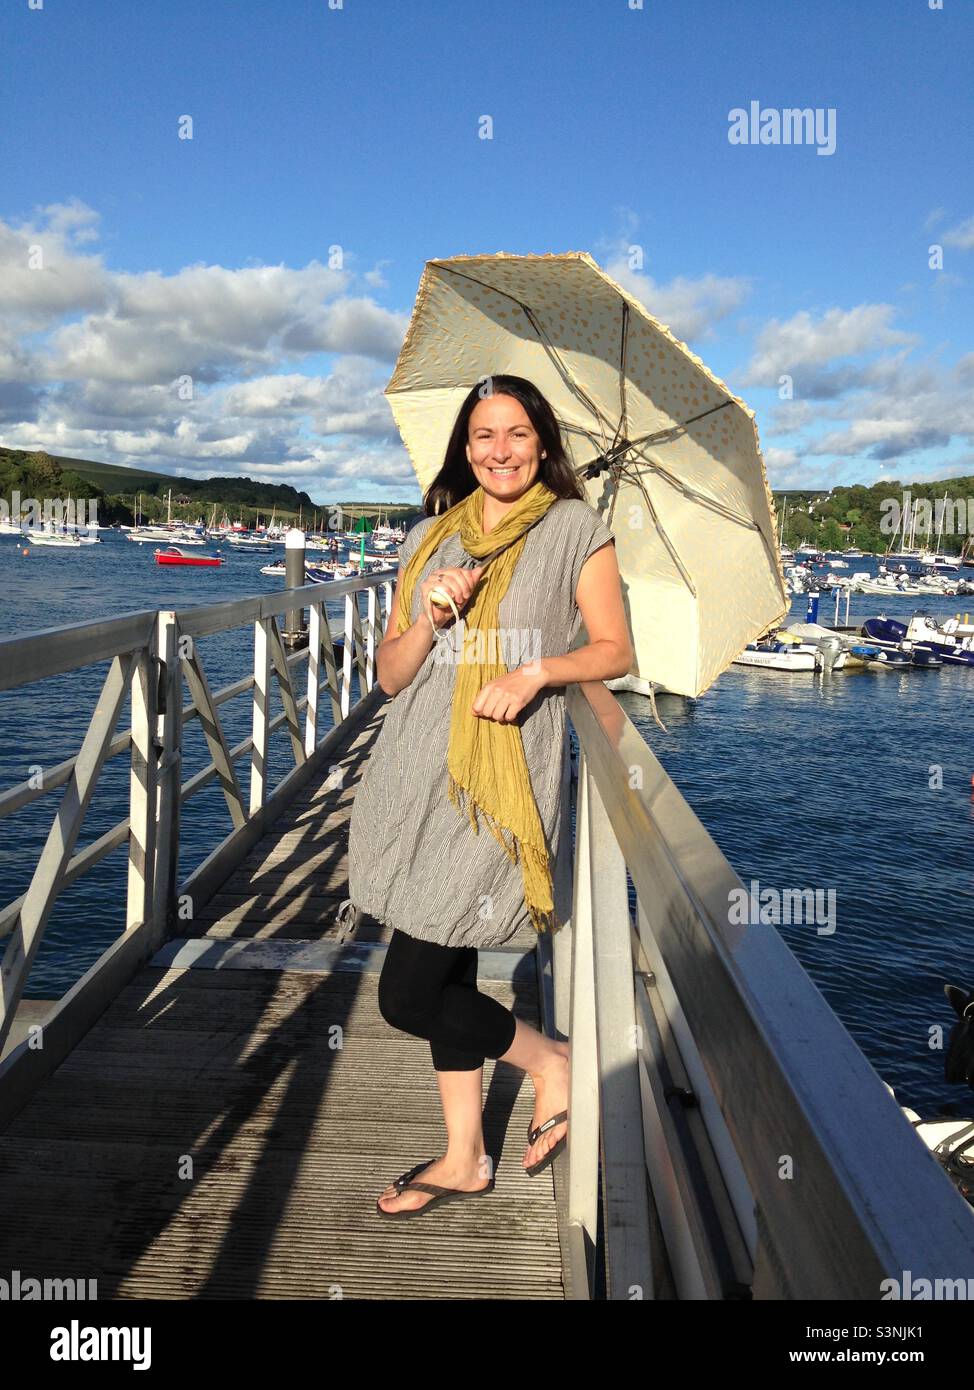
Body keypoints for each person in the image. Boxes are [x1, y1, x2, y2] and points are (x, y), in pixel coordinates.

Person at [346, 374, 632, 1217]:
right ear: (463, 448)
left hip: (500, 777)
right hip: (416, 773)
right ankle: (466, 1156)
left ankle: (553, 1063)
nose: (498, 451)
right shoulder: (432, 537)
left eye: (514, 434)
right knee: (450, 963)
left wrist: (540, 668)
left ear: (542, 442)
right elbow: (391, 678)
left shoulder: (576, 527)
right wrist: (432, 615)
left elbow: (613, 648)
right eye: (482, 436)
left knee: (407, 993)